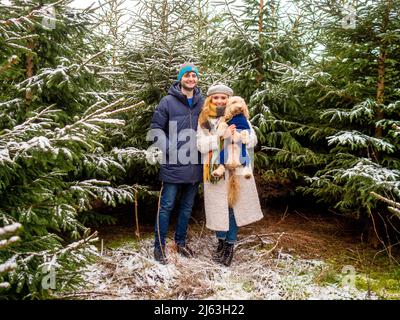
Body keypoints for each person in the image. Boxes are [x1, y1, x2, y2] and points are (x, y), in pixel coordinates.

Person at [196, 84, 263, 266]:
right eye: (216, 97)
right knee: (218, 208)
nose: (220, 100)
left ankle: (230, 245)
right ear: (210, 99)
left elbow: (253, 140)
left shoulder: (240, 117)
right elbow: (200, 145)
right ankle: (220, 242)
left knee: (233, 206)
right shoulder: (205, 119)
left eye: (223, 98)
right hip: (215, 168)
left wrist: (242, 136)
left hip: (238, 169)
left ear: (229, 100)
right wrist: (221, 137)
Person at [149, 63, 204, 264]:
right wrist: (170, 150)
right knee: (166, 206)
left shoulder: (202, 102)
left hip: (195, 164)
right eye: (187, 75)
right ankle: (159, 247)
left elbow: (212, 125)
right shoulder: (167, 102)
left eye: (194, 76)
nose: (191, 79)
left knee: (187, 207)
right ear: (180, 78)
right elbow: (156, 129)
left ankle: (180, 242)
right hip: (174, 163)